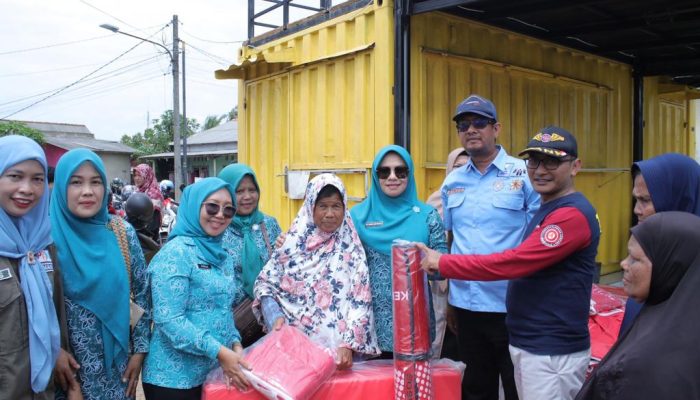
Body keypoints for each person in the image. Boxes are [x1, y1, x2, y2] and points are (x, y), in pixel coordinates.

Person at [418, 126, 600, 400]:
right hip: (529, 340)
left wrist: (444, 263)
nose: (540, 170)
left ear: (575, 167)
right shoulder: (548, 207)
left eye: (551, 162)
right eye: (534, 161)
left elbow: (512, 263)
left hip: (550, 349)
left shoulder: (570, 216)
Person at [440, 95, 540, 400]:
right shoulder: (452, 182)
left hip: (510, 305)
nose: (471, 129)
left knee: (516, 387)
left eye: (479, 122)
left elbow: (537, 237)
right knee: (475, 389)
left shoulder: (524, 175)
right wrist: (451, 302)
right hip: (467, 307)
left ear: (496, 128)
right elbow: (451, 241)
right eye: (463, 124)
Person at [50, 149, 151, 400]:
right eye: (76, 182)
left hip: (117, 371)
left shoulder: (121, 232)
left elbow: (142, 293)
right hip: (64, 372)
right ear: (61, 186)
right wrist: (53, 352)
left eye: (95, 182)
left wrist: (139, 352)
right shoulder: (43, 238)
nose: (87, 191)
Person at [255, 173, 380, 369]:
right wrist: (274, 316)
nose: (330, 214)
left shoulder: (352, 250)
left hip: (340, 357)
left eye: (336, 206)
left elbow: (361, 299)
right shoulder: (292, 245)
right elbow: (265, 283)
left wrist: (348, 345)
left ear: (344, 207)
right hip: (295, 356)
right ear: (310, 207)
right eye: (323, 206)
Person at [142, 177, 249, 399]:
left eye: (229, 210)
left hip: (212, 375)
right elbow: (170, 319)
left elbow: (223, 310)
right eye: (212, 207)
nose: (220, 215)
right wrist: (219, 351)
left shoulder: (222, 255)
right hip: (173, 380)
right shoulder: (175, 253)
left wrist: (235, 342)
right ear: (194, 205)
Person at [576, 211, 700, 400]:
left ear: (670, 266)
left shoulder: (646, 367)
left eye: (635, 259)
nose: (624, 264)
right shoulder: (673, 318)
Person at [0, 135, 79, 400]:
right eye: (15, 176)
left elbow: (54, 312)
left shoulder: (43, 245)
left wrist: (59, 351)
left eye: (37, 179)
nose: (27, 189)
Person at [350, 145, 448, 357]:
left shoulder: (427, 215)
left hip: (415, 325)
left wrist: (429, 262)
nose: (392, 177)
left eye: (400, 171)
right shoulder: (356, 217)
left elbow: (444, 267)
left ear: (409, 173)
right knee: (372, 389)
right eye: (384, 171)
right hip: (368, 329)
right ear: (376, 176)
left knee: (412, 389)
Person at [618, 153, 700, 334]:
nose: (636, 210)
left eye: (645, 200)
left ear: (680, 199)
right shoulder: (654, 252)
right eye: (636, 199)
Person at [218, 163, 282, 346]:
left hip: (269, 319)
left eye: (252, 190)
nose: (247, 197)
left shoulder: (268, 224)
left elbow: (282, 266)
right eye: (239, 191)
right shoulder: (217, 226)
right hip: (230, 325)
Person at [425, 147, 469, 360]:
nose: (461, 172)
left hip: (469, 284)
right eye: (457, 167)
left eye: (467, 167)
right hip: (440, 287)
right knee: (440, 342)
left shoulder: (479, 202)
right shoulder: (435, 201)